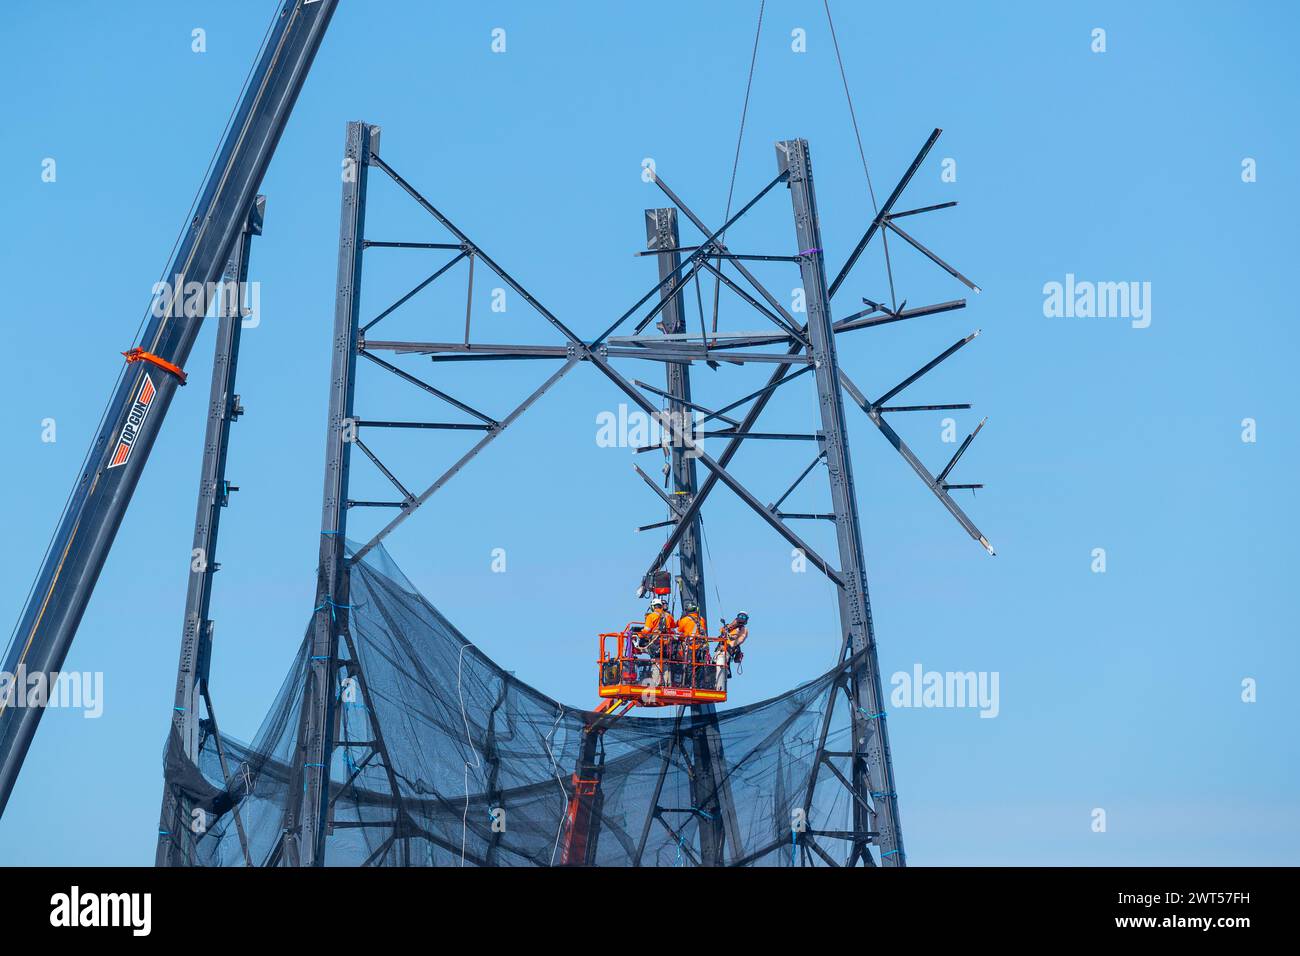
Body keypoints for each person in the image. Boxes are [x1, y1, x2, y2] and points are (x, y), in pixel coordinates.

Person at [643, 598, 676, 687]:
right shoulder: (668, 616)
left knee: (656, 663)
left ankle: (656, 684)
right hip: (667, 644)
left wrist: (639, 635)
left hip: (656, 644)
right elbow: (673, 630)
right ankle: (667, 684)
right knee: (665, 663)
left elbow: (646, 631)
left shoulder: (651, 616)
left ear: (653, 607)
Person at [715, 612, 749, 692]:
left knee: (722, 661)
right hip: (721, 647)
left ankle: (723, 678)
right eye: (740, 616)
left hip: (729, 649)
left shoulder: (743, 629)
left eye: (743, 617)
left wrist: (731, 645)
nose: (741, 618)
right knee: (715, 661)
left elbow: (741, 639)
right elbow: (722, 631)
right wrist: (731, 625)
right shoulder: (731, 626)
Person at [678, 603, 708, 688]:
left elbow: (679, 631)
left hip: (691, 647)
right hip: (701, 647)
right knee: (700, 665)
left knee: (689, 666)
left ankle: (688, 684)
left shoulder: (684, 620)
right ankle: (699, 685)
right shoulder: (701, 619)